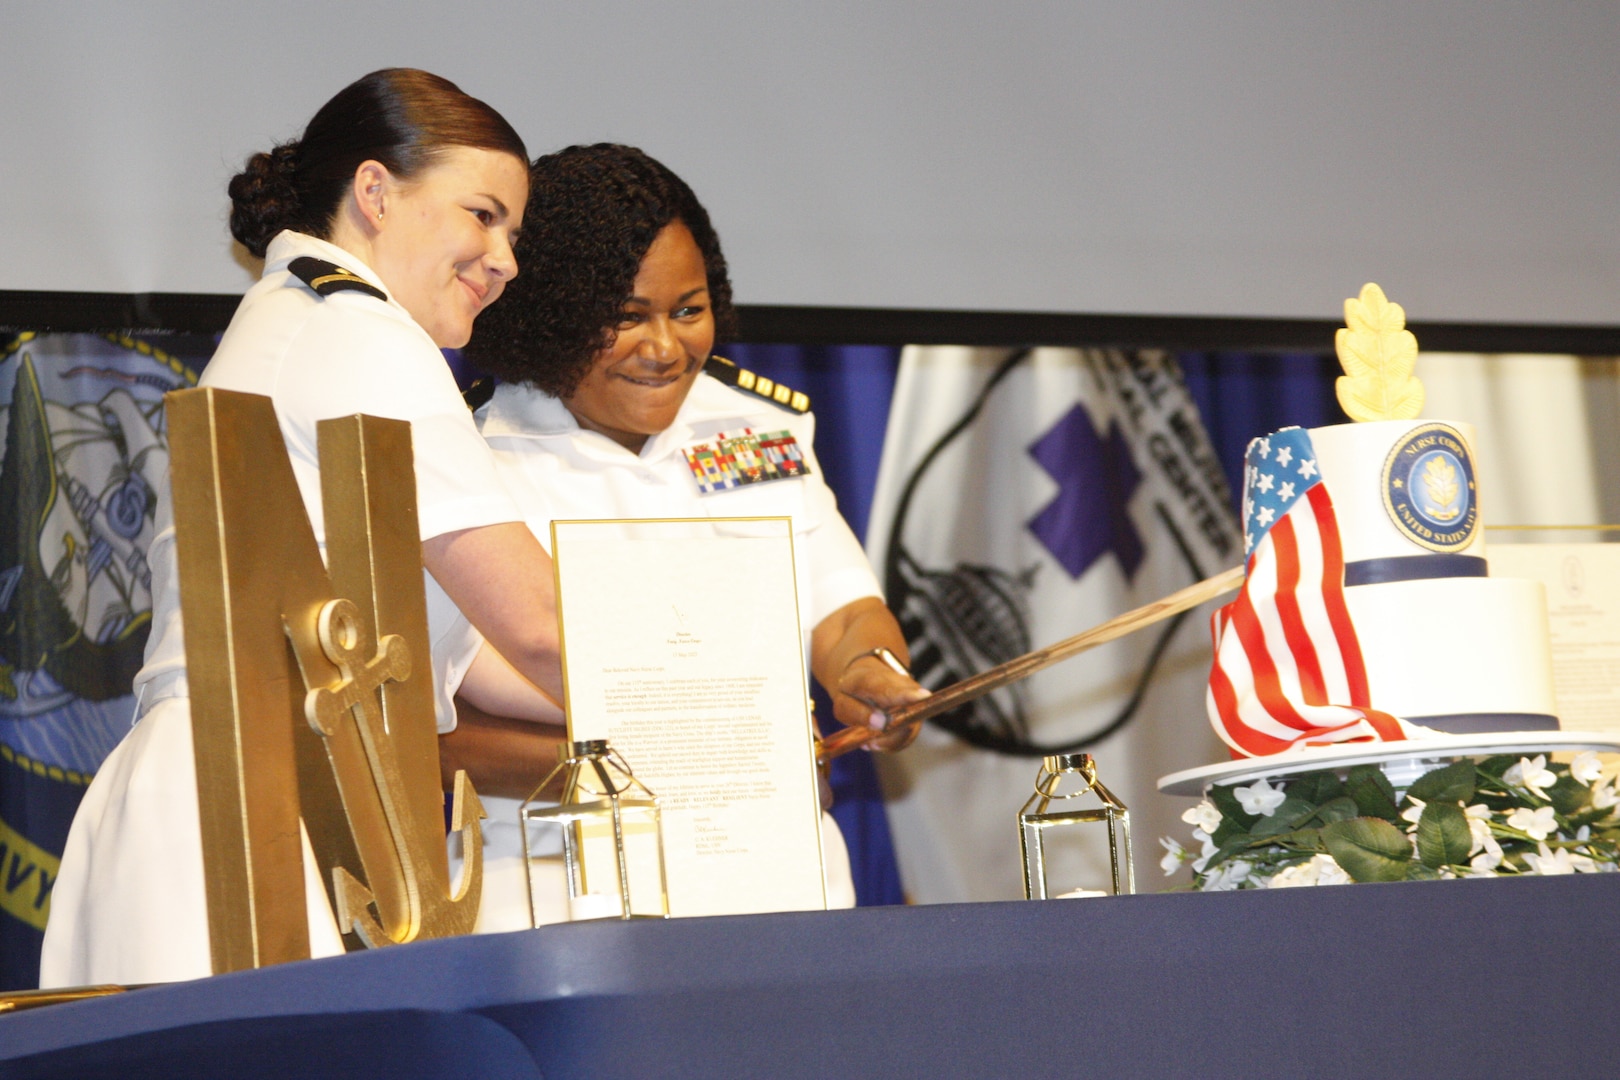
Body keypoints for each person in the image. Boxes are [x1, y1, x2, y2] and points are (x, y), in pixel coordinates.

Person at [40, 69, 565, 987]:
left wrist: (676, 707)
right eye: (484, 216)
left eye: (512, 232)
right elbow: (539, 625)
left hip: (250, 797)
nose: (507, 260)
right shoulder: (361, 331)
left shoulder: (301, 316)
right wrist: (716, 693)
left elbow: (482, 654)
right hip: (263, 809)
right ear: (374, 192)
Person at [459, 143, 928, 914]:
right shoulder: (471, 454)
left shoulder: (758, 427)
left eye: (688, 310)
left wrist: (871, 673)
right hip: (563, 902)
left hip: (778, 892)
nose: (667, 349)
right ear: (552, 315)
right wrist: (686, 758)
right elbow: (437, 739)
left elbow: (842, 609)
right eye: (626, 318)